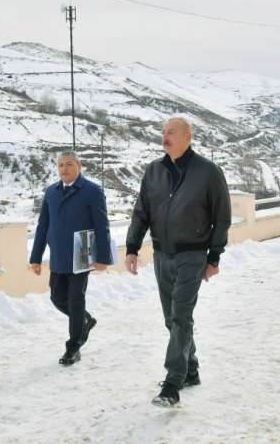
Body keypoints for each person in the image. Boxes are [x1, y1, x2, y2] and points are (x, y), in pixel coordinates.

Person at [125, 117, 231, 408]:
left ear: (188, 137)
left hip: (193, 255)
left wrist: (214, 257)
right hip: (162, 255)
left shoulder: (208, 171)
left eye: (171, 132)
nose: (165, 137)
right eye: (163, 132)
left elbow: (222, 216)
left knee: (181, 315)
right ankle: (191, 369)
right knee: (172, 319)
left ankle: (172, 384)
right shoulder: (154, 171)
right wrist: (132, 247)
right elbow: (141, 212)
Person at [30, 151, 112, 365]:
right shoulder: (51, 192)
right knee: (57, 298)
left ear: (79, 166)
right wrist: (36, 257)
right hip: (57, 255)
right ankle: (85, 320)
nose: (64, 168)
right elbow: (42, 226)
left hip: (81, 254)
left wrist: (104, 257)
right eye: (60, 165)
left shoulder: (92, 191)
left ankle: (73, 347)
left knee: (76, 301)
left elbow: (102, 226)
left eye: (68, 164)